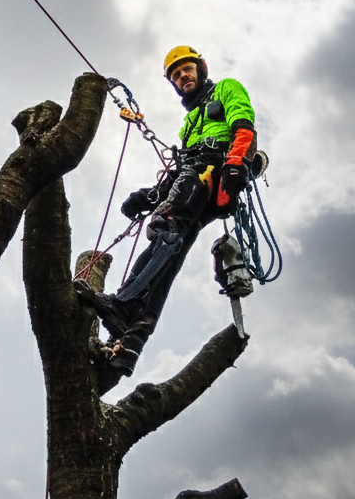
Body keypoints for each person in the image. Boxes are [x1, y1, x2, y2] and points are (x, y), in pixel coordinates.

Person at [75, 45, 259, 375]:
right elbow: (177, 175)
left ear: (200, 69)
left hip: (213, 169)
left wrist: (235, 165)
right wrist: (148, 197)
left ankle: (125, 301)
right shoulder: (189, 123)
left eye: (186, 69)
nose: (181, 77)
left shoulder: (226, 88)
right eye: (175, 75)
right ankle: (127, 351)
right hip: (197, 174)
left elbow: (244, 125)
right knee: (168, 260)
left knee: (168, 225)